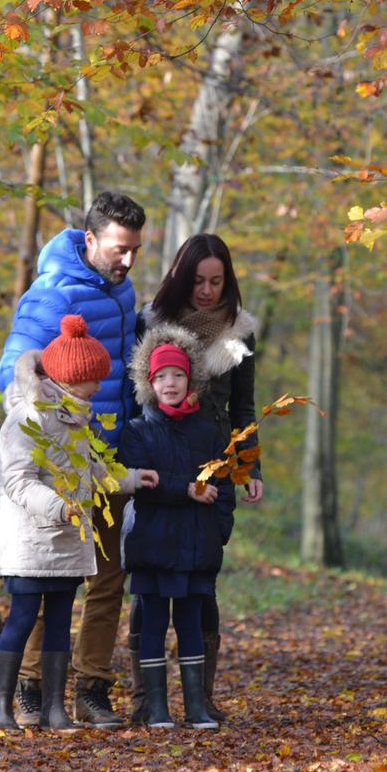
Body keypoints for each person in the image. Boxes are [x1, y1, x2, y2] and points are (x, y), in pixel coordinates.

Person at [0, 191, 146, 729]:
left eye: (134, 250)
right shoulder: (53, 294)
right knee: (49, 578)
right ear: (90, 240)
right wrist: (46, 433)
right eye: (119, 248)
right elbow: (15, 368)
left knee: (109, 578)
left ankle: (92, 686)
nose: (127, 260)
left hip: (108, 455)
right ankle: (34, 688)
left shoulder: (123, 291)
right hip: (61, 462)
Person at [133, 233, 260, 723]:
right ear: (180, 277)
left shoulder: (239, 332)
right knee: (149, 581)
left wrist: (248, 466)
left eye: (216, 281)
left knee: (200, 584)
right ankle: (146, 697)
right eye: (198, 280)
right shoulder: (151, 321)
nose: (206, 291)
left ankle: (200, 696)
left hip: (213, 465)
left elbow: (244, 406)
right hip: (158, 458)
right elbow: (136, 394)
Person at [117, 325, 231, 730]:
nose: (170, 383)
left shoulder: (207, 431)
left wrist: (220, 531)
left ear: (191, 379)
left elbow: (224, 483)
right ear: (150, 381)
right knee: (151, 623)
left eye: (178, 375)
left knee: (189, 623)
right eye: (162, 376)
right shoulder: (137, 431)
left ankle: (196, 706)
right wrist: (184, 490)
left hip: (196, 546)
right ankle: (157, 707)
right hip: (152, 543)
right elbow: (142, 485)